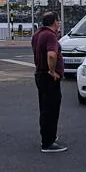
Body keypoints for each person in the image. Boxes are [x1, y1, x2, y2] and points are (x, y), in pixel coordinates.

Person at [31, 11, 67, 153]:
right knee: (52, 109)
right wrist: (52, 71)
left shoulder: (37, 34)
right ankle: (48, 143)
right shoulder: (51, 36)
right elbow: (51, 55)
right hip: (48, 78)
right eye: (58, 21)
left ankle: (47, 136)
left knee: (45, 109)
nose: (59, 24)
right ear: (54, 22)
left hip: (39, 75)